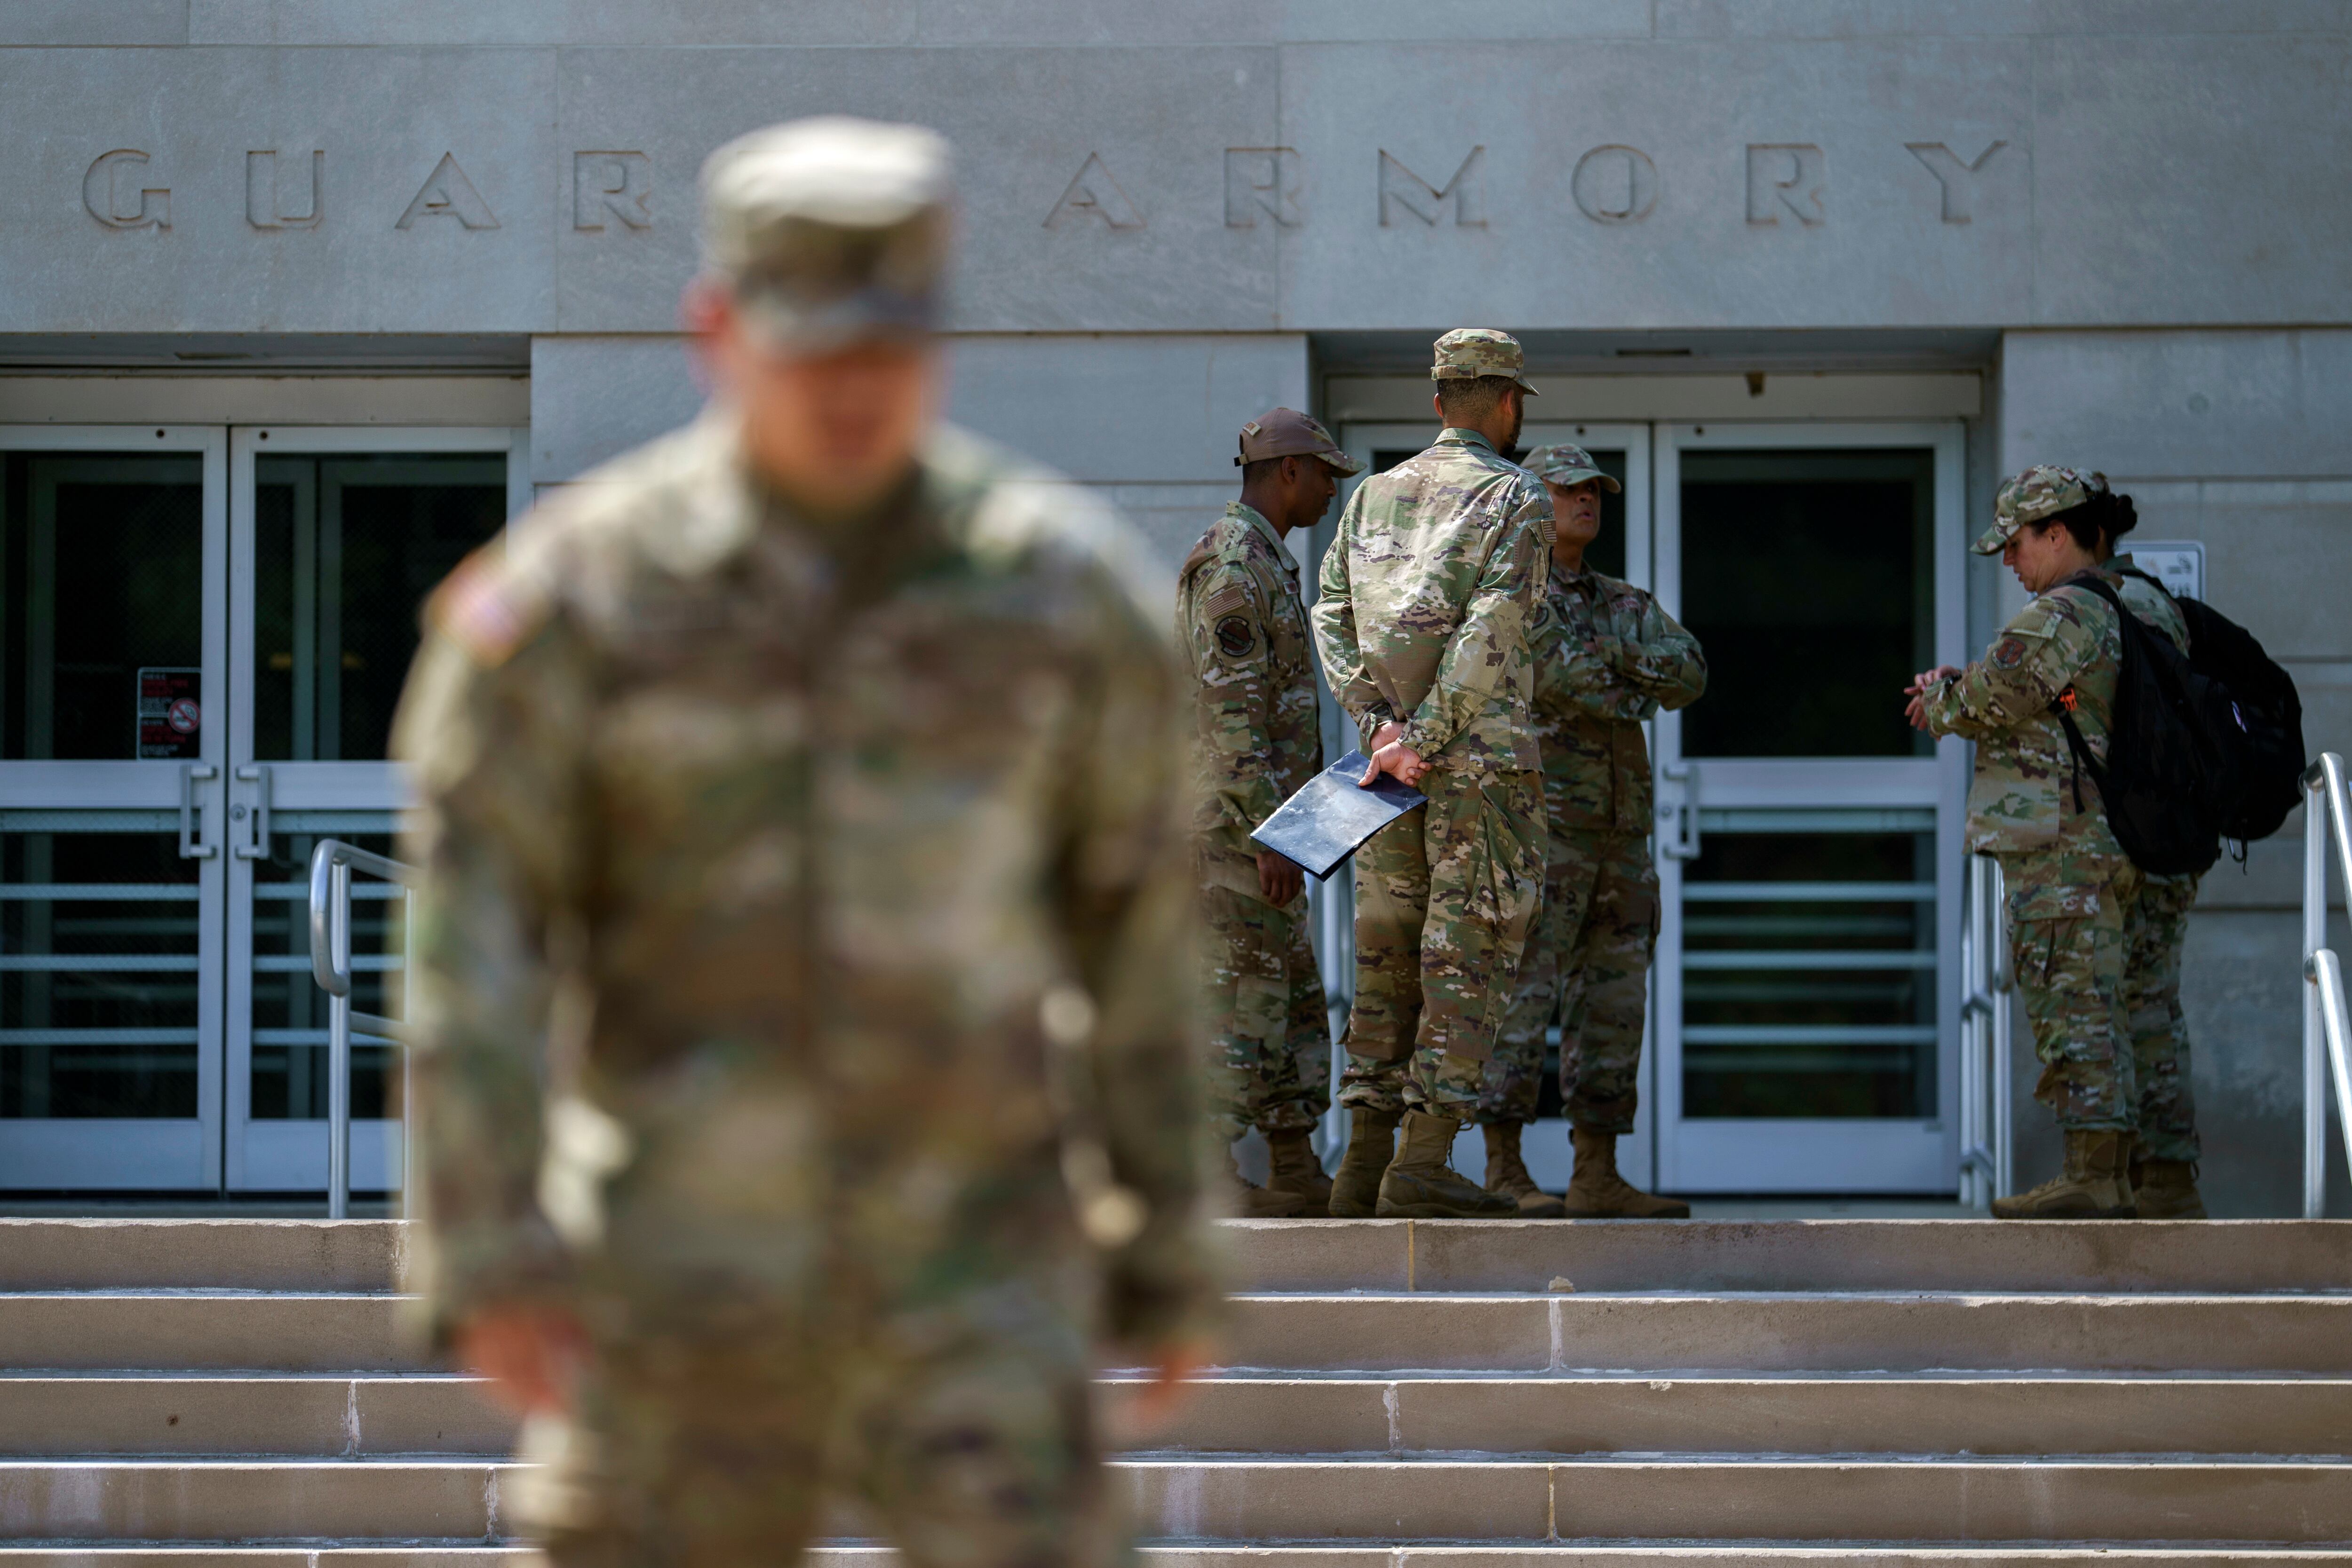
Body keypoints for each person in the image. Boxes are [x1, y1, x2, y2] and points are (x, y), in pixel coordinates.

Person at [391, 116, 1221, 1566]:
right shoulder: (577, 603)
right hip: (673, 1288)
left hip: (979, 1284)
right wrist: (481, 1243)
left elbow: (1139, 934)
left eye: (889, 355)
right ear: (714, 330)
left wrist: (1171, 1235)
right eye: (815, 353)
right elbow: (475, 937)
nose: (855, 392)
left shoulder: (1061, 599)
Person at [1311, 328, 1553, 1220]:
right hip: (1477, 771)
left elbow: (1329, 613)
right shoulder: (1512, 494)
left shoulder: (1371, 496)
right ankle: (1421, 1160)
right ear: (1506, 401)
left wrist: (1382, 729)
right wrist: (1434, 732)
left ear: (1438, 397)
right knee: (1469, 955)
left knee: (1387, 958)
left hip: (1385, 774)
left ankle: (1360, 1166)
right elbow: (1493, 627)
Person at [1907, 464, 2147, 1219]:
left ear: (2057, 532)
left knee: (2074, 1005)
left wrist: (1942, 697)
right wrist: (1972, 685)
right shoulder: (2111, 606)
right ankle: (2110, 1172)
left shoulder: (2062, 611)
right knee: (2092, 1001)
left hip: (2062, 845)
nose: (2010, 563)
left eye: (2015, 546)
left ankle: (2095, 1175)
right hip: (2087, 840)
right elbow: (2056, 697)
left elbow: (1996, 693)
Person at [1477, 444, 1705, 1219]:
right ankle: (1503, 1169)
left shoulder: (1623, 600)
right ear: (1531, 499)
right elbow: (1569, 679)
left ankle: (1595, 1171)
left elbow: (1692, 670)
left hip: (1621, 838)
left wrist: (1612, 668)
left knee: (1611, 1004)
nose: (1585, 500)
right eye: (1568, 488)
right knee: (1522, 999)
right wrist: (1628, 674)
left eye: (1594, 491)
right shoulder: (1514, 595)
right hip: (1541, 835)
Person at [1176, 410, 1360, 1218]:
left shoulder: (1268, 562)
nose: (1331, 490)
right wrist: (1267, 835)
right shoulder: (1230, 564)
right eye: (1326, 474)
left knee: (1284, 1005)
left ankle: (1293, 1167)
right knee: (1235, 1006)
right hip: (1235, 840)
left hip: (1271, 833)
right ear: (1288, 470)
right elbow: (1234, 717)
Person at [2088, 478, 2208, 1219]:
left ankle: (2142, 1171)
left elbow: (2082, 702)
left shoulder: (2098, 608)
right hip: (2175, 830)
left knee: (2115, 1001)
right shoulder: (2159, 601)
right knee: (2155, 998)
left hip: (2127, 831)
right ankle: (2167, 1173)